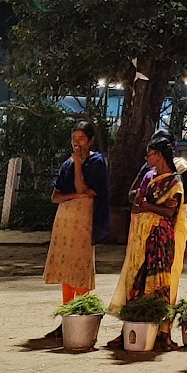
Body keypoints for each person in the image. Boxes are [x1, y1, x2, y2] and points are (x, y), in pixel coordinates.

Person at [108, 133, 187, 346]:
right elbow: (135, 200)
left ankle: (162, 333)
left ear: (159, 155)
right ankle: (131, 328)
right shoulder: (149, 176)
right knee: (136, 280)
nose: (147, 158)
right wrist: (142, 208)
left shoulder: (174, 182)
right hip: (141, 235)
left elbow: (170, 212)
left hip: (160, 238)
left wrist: (147, 207)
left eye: (150, 154)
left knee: (159, 282)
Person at [43, 121, 109, 343]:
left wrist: (79, 166)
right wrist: (76, 196)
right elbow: (56, 196)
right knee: (66, 269)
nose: (76, 143)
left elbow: (83, 188)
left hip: (83, 222)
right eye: (74, 139)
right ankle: (66, 319)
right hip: (65, 223)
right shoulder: (66, 164)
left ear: (90, 140)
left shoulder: (96, 162)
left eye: (81, 139)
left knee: (80, 268)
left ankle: (80, 314)